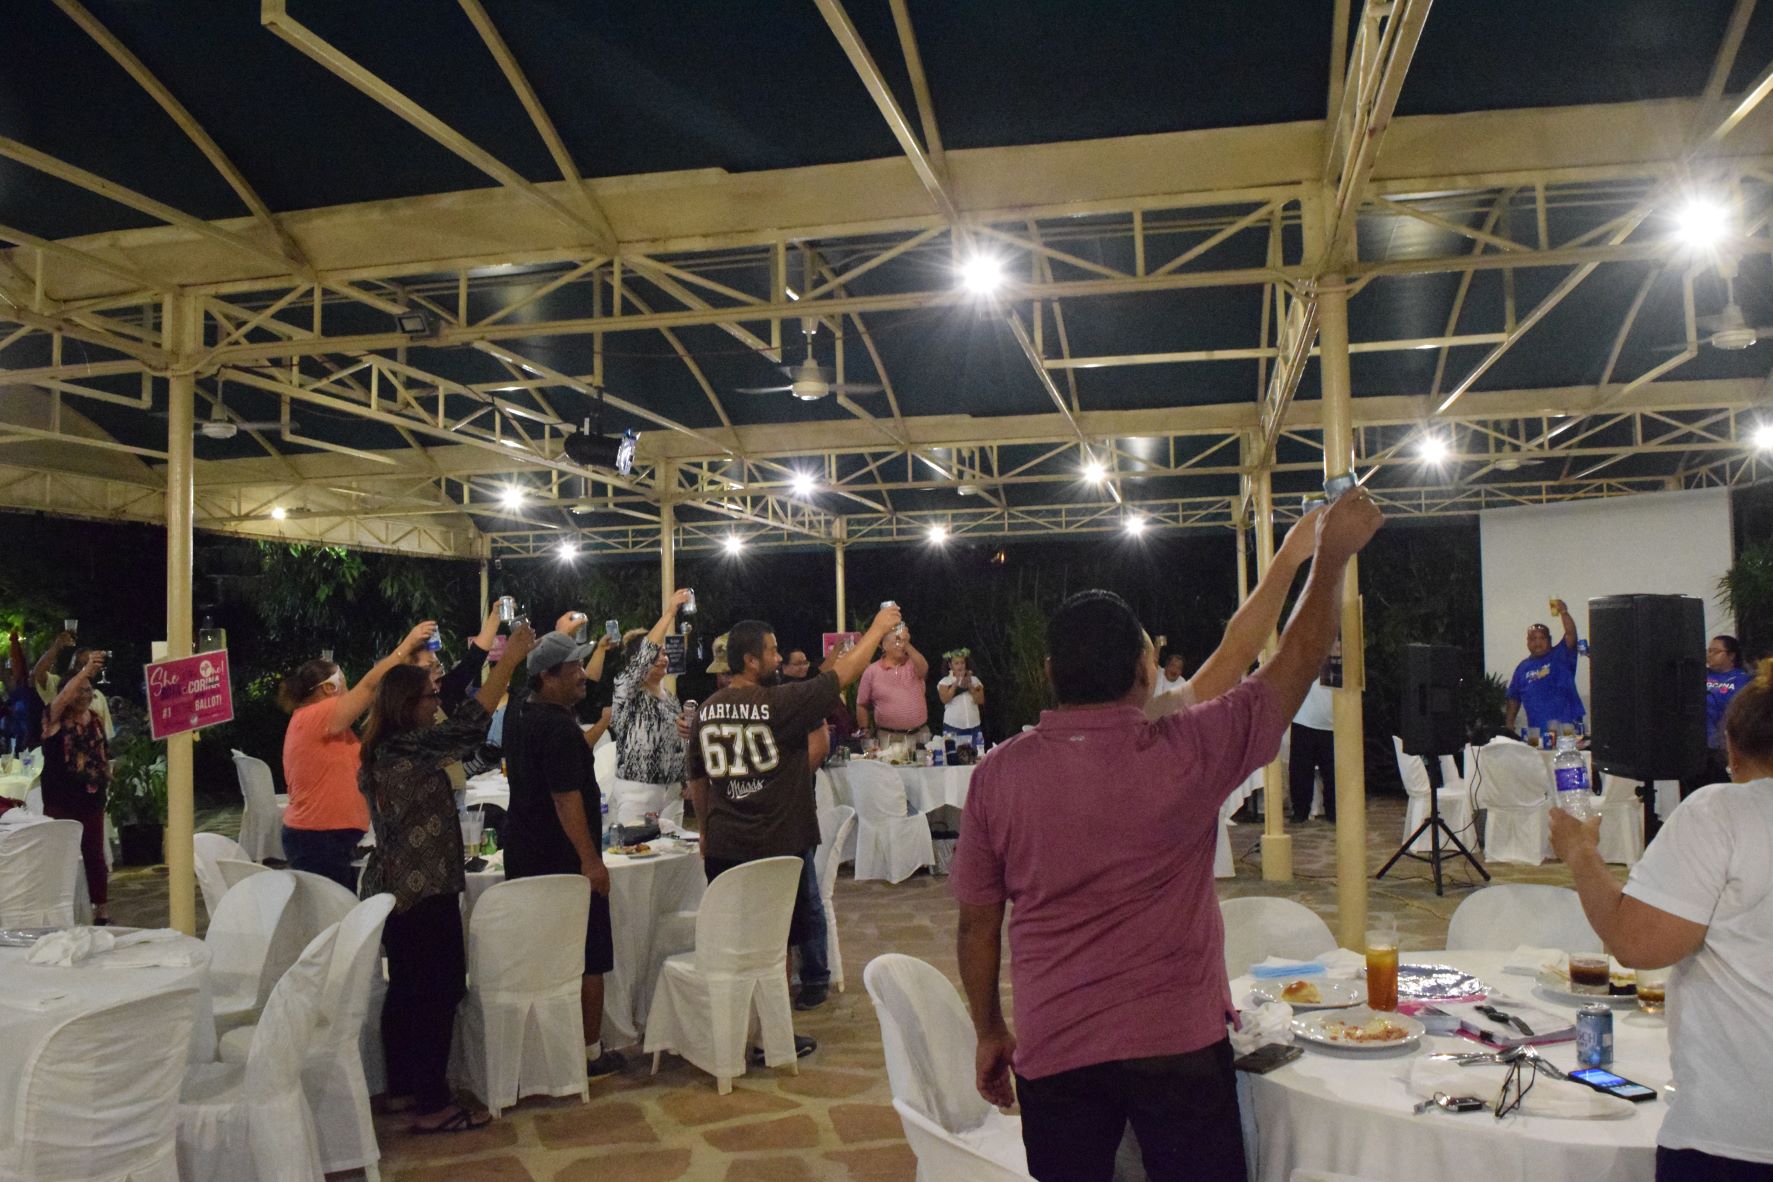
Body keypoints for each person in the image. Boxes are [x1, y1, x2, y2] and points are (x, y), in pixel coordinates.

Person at [951, 489, 1383, 1182]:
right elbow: (1289, 662)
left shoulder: (996, 777)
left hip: (1056, 1046)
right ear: (1145, 669)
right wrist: (1330, 560)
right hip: (1177, 1044)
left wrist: (988, 1030)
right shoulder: (1190, 746)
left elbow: (976, 927)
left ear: (1048, 673)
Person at [1550, 657, 1773, 1180]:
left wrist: (1581, 853)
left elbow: (1637, 944)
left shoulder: (1724, 813)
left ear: (1732, 752)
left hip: (1738, 1135)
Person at [688, 603, 904, 1036]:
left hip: (726, 847)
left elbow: (697, 779)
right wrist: (879, 626)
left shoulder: (706, 710)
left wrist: (706, 832)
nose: (777, 658)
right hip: (776, 846)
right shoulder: (778, 702)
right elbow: (839, 677)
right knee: (775, 946)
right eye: (770, 652)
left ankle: (736, 1031)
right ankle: (774, 1035)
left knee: (737, 942)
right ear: (750, 660)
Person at [358, 623, 531, 1134]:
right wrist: (510, 660)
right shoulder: (408, 750)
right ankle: (432, 1103)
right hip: (422, 888)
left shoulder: (382, 748)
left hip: (397, 888)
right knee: (439, 990)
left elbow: (457, 704)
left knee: (407, 990)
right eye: (429, 697)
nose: (437, 703)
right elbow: (472, 721)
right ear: (406, 705)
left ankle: (403, 1088)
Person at [504, 628, 629, 1079]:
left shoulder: (521, 711)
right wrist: (590, 860)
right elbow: (566, 798)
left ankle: (542, 1051)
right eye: (574, 668)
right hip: (564, 863)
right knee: (589, 956)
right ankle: (588, 1052)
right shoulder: (556, 726)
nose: (582, 675)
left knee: (541, 954)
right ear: (547, 677)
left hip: (525, 855)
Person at [278, 622, 436, 890]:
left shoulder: (322, 722)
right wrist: (405, 646)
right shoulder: (318, 716)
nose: (349, 690)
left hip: (328, 838)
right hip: (319, 839)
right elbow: (369, 688)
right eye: (344, 683)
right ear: (329, 688)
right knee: (336, 916)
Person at [40, 650, 112, 923]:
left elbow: (102, 752)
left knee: (94, 855)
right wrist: (84, 672)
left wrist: (106, 776)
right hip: (61, 799)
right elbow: (62, 699)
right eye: (78, 690)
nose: (84, 695)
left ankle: (100, 910)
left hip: (91, 798)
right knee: (61, 856)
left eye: (89, 690)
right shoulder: (53, 719)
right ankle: (60, 910)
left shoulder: (94, 719)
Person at [612, 591, 694, 815]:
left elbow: (678, 742)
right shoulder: (626, 688)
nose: (663, 658)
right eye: (656, 654)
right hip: (638, 788)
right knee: (635, 849)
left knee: (673, 851)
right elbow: (644, 655)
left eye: (664, 653)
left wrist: (686, 778)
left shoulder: (670, 697)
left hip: (673, 792)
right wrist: (670, 612)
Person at [1683, 634, 1751, 800]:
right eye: (1709, 651)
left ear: (1731, 655)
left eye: (1716, 651)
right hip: (1695, 746)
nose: (1710, 655)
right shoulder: (1701, 675)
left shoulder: (1742, 680)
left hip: (1721, 749)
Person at [1505, 599, 1584, 734]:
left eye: (1541, 638)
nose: (1537, 643)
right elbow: (1514, 697)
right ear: (1527, 642)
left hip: (1567, 731)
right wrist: (1509, 725)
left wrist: (1564, 612)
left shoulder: (1561, 655)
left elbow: (1571, 635)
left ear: (1550, 640)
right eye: (1533, 639)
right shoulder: (1522, 668)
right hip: (1538, 735)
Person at [856, 621, 930, 745]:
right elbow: (861, 704)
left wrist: (906, 643)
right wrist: (865, 730)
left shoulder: (913, 664)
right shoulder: (872, 671)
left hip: (919, 735)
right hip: (888, 738)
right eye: (897, 641)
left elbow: (924, 668)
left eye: (903, 641)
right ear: (884, 646)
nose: (901, 645)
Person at [1289, 674, 1336, 823]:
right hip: (1303, 720)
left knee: (1332, 772)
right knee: (1300, 770)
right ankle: (1300, 810)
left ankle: (1334, 810)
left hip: (1333, 724)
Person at [937, 649, 986, 749]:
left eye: (962, 663)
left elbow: (980, 700)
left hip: (973, 725)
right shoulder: (944, 682)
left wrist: (969, 685)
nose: (960, 666)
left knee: (976, 757)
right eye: (956, 663)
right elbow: (945, 699)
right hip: (953, 726)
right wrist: (956, 684)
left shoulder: (975, 680)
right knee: (954, 759)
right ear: (950, 665)